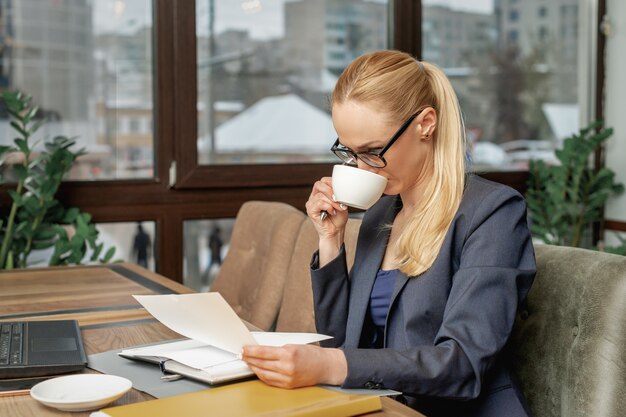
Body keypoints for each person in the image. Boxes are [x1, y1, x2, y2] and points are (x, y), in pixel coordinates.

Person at [242, 50, 536, 417]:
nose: (361, 167)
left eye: (372, 151)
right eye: (348, 152)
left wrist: (328, 366)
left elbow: (461, 364)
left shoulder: (492, 212)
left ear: (426, 124)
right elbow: (344, 345)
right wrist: (330, 241)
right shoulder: (382, 212)